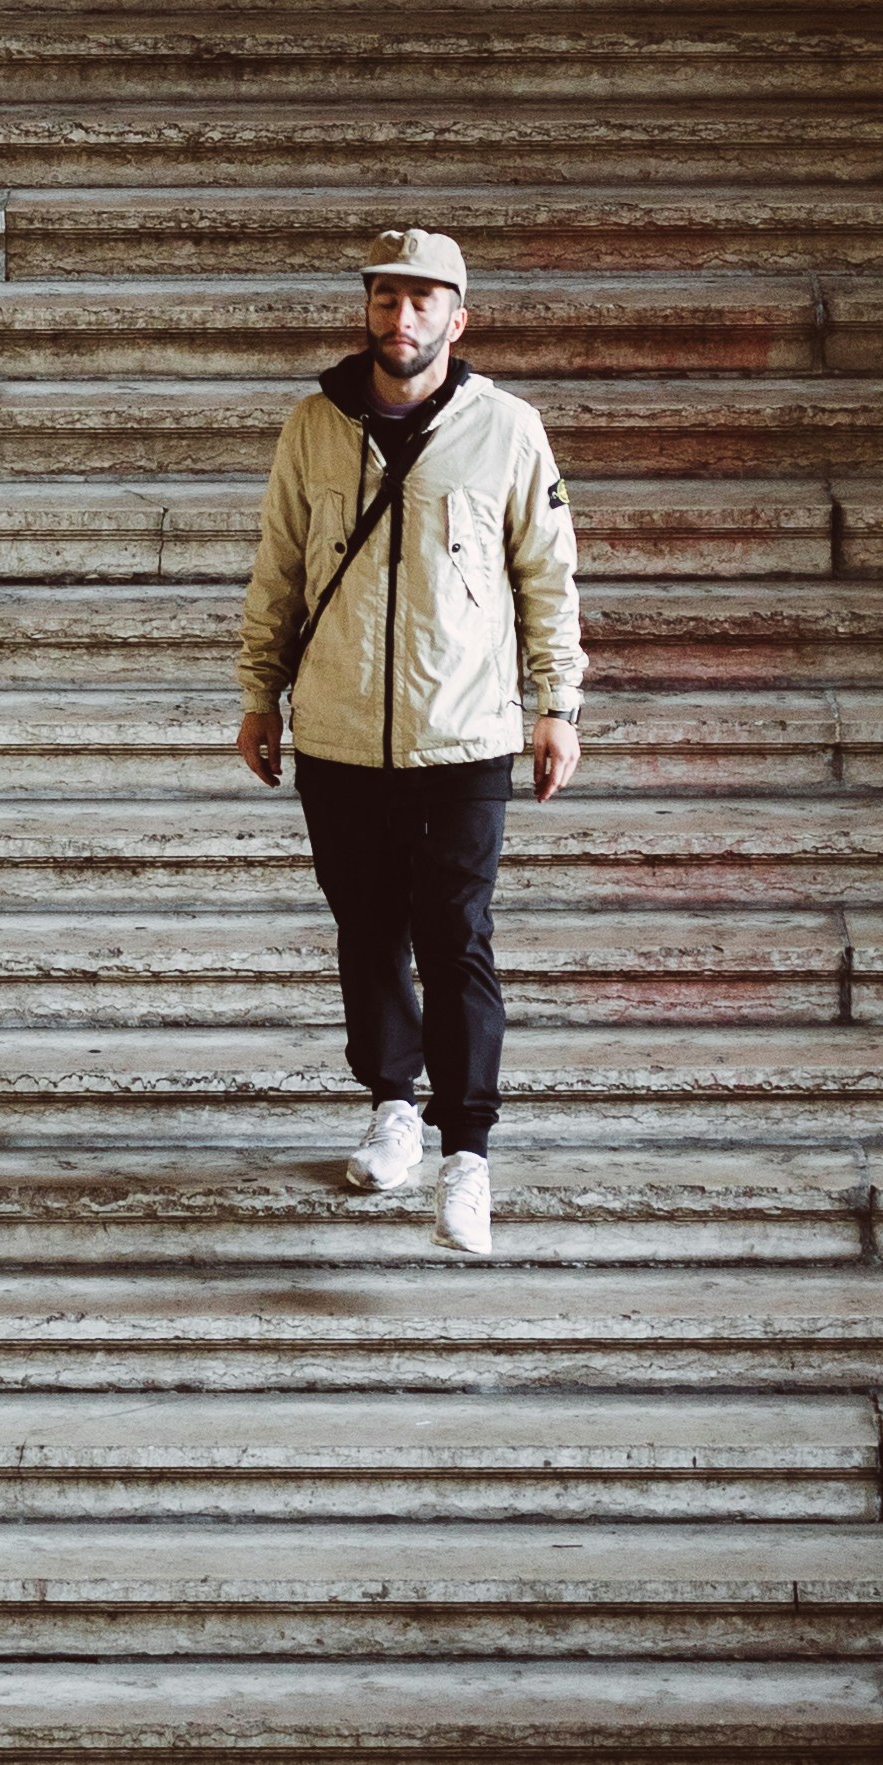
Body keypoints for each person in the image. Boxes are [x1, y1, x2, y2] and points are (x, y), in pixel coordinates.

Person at [232, 224, 584, 1259]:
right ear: (368, 311)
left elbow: (547, 580)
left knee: (456, 936)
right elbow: (279, 572)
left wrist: (554, 705)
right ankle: (393, 1103)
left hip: (464, 733)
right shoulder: (312, 426)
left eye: (425, 300)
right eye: (388, 298)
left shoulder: (508, 429)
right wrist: (261, 694)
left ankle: (465, 1152)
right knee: (365, 927)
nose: (404, 317)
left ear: (457, 317)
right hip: (338, 732)